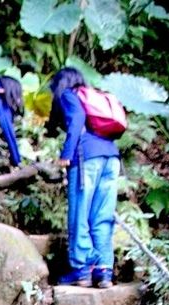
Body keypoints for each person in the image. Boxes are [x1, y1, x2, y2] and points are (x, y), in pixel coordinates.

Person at [49, 67, 121, 288]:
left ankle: (81, 270)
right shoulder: (93, 98)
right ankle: (103, 271)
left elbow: (77, 118)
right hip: (112, 158)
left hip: (86, 158)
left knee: (80, 213)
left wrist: (66, 154)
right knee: (102, 215)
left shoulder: (69, 94)